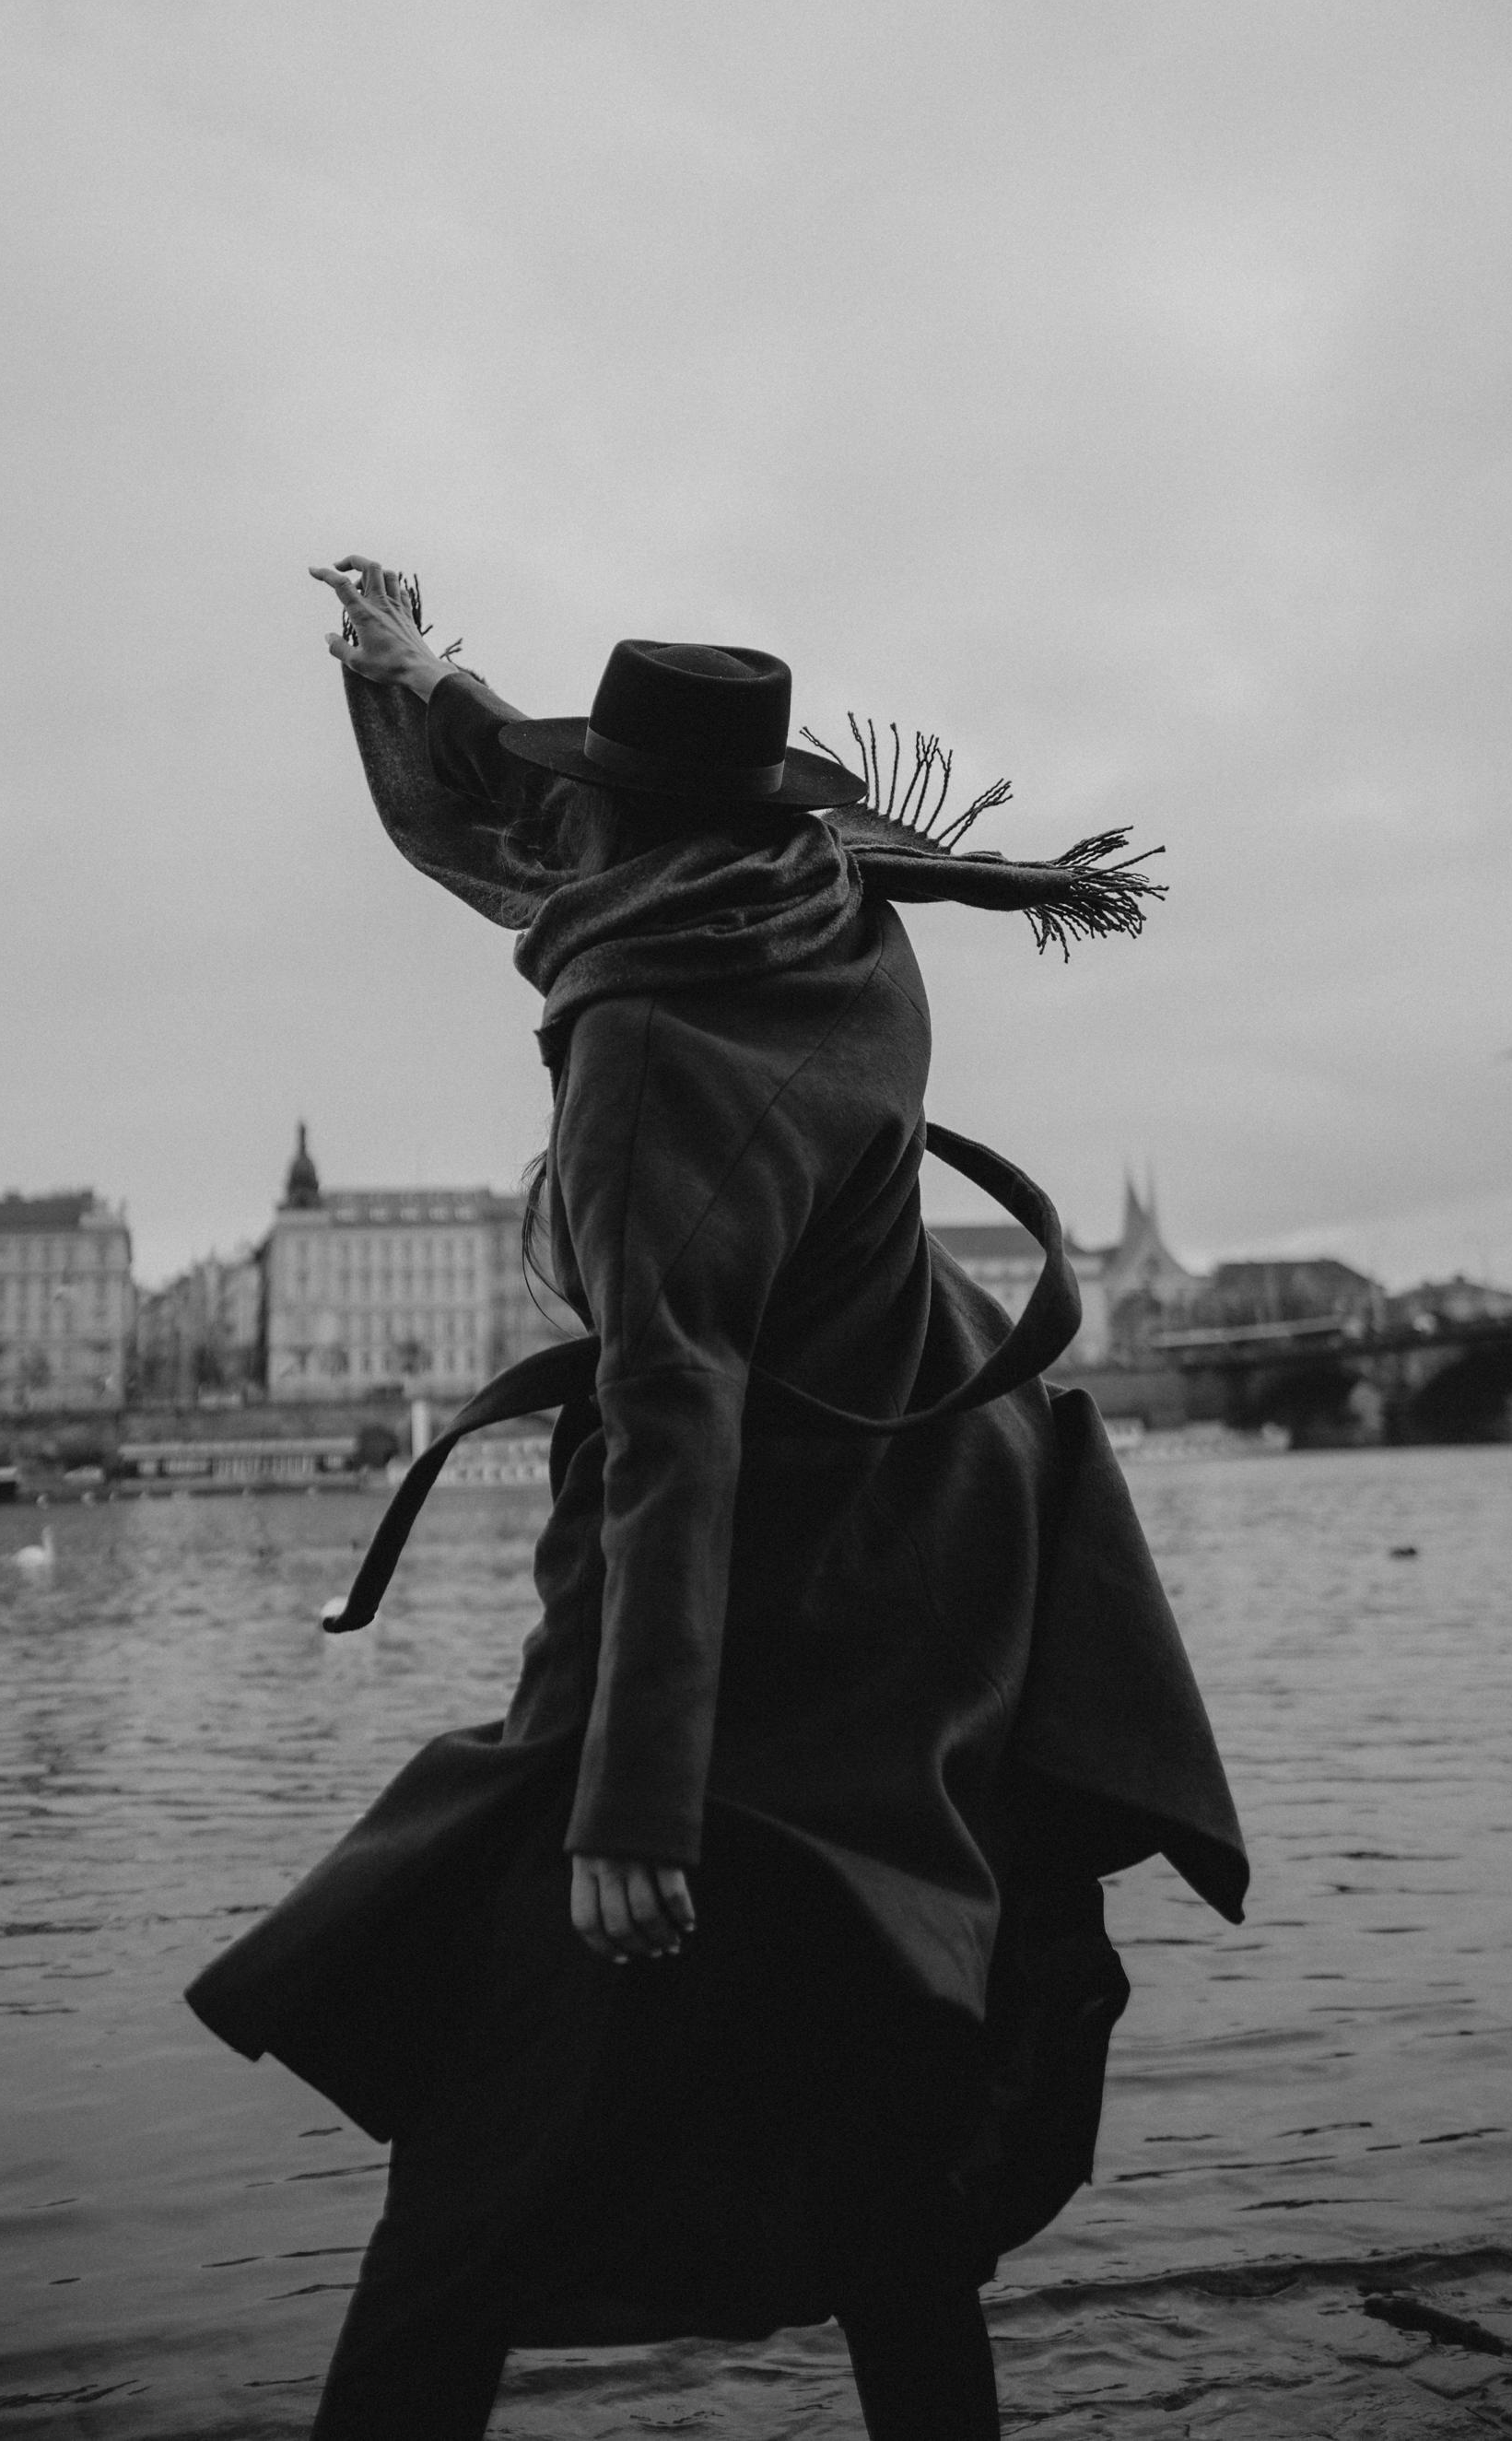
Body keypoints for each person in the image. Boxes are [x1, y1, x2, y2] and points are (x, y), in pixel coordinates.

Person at [187, 558, 1248, 2441]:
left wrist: (631, 1796)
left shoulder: (651, 1040)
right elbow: (521, 829)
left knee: (465, 2198)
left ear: (611, 820)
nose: (543, 844)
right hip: (905, 1630)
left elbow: (672, 1418)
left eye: (573, 806)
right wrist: (415, 670)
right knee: (881, 2185)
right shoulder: (814, 918)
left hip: (727, 1676)